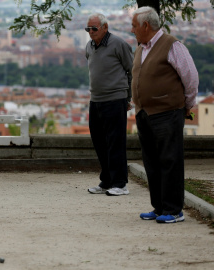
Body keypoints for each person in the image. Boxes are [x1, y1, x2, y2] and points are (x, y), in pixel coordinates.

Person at [131, 7, 198, 223]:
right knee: (151, 161)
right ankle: (159, 207)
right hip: (145, 113)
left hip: (168, 112)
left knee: (170, 160)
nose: (132, 30)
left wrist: (188, 104)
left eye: (134, 26)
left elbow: (190, 76)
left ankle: (173, 210)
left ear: (145, 26)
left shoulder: (172, 45)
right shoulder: (141, 49)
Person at [85, 13, 133, 196]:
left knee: (115, 142)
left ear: (105, 27)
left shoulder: (119, 44)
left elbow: (132, 70)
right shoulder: (89, 46)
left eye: (94, 28)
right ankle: (106, 181)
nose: (90, 32)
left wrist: (129, 97)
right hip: (96, 99)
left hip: (115, 99)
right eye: (88, 29)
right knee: (99, 141)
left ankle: (120, 183)